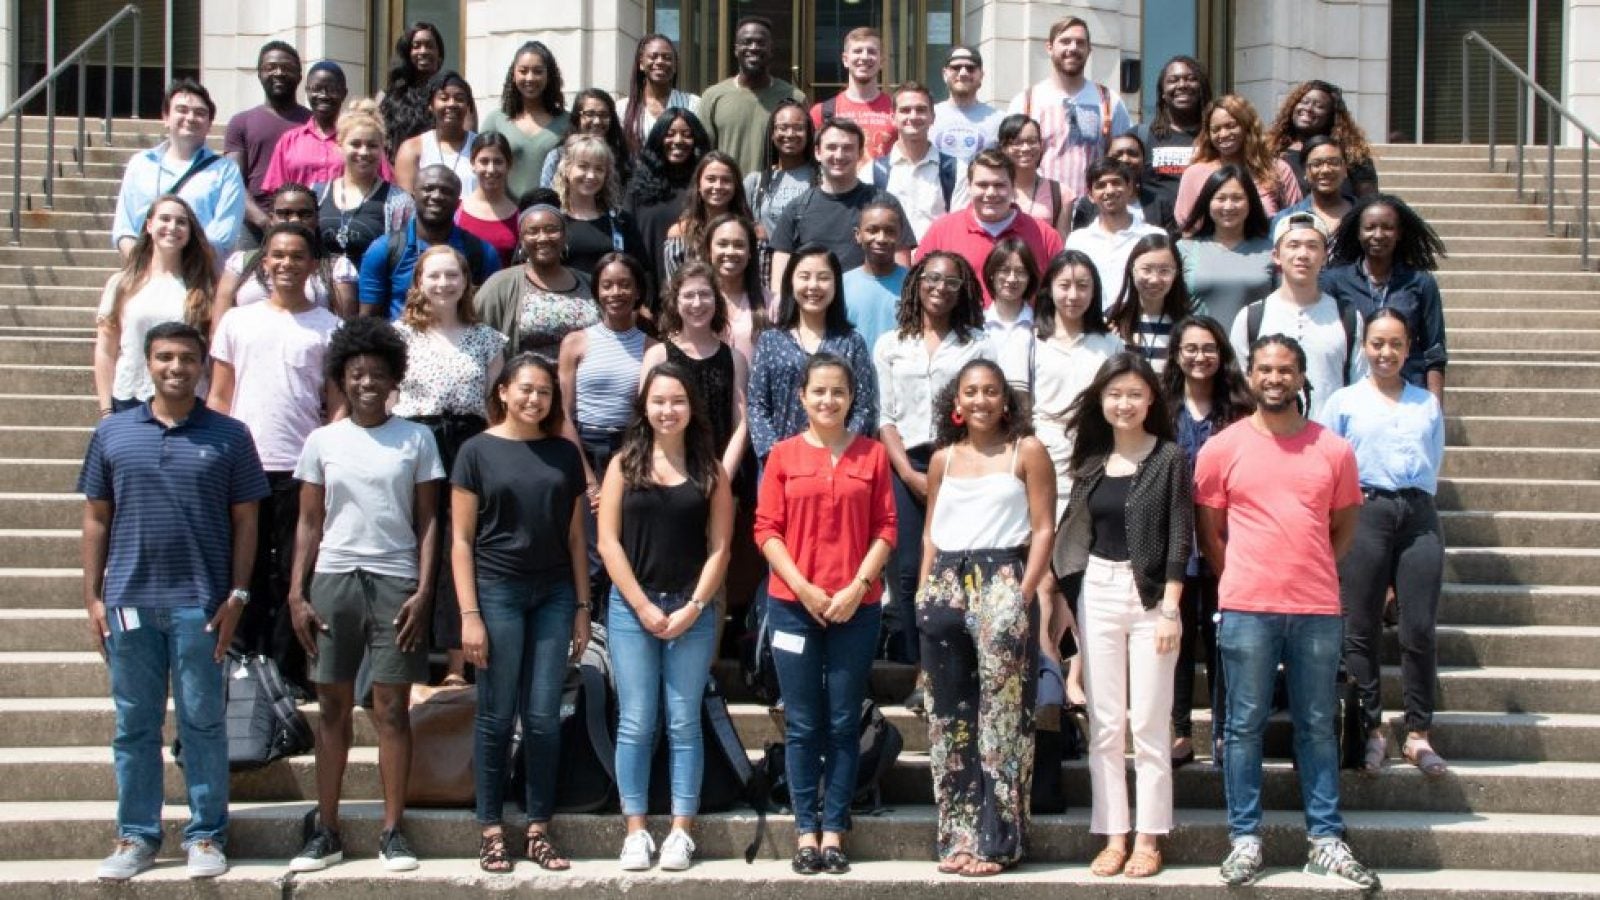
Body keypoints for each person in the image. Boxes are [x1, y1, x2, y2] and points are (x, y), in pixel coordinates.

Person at [82, 321, 269, 882]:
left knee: (203, 723)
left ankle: (207, 834)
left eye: (187, 358)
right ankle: (137, 834)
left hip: (201, 603)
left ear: (203, 365)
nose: (176, 368)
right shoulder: (113, 433)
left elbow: (247, 521)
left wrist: (238, 594)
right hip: (129, 602)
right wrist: (92, 597)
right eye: (165, 358)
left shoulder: (231, 436)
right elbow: (95, 518)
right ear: (147, 362)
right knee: (134, 725)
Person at [1194, 334, 1381, 891]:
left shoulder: (1334, 449)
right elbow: (1211, 532)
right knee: (1243, 727)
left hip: (1316, 606)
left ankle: (1325, 839)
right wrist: (1243, 577)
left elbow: (1344, 527)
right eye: (1265, 369)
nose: (1274, 378)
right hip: (1247, 605)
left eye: (1286, 370)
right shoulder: (1222, 448)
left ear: (1302, 378)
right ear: (1251, 376)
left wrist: (1309, 565)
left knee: (1318, 727)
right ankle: (1245, 839)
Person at [286, 317, 443, 873]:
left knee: (391, 709)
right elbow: (308, 522)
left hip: (396, 583)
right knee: (331, 708)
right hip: (333, 580)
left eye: (378, 374)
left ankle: (392, 829)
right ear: (341, 378)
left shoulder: (416, 438)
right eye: (356, 374)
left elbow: (429, 522)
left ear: (394, 378)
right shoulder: (322, 440)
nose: (367, 384)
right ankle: (325, 829)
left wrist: (425, 590)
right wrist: (296, 592)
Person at [754, 353, 896, 875]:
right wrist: (804, 588)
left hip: (855, 609)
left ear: (851, 397)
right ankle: (804, 830)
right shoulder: (783, 456)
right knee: (802, 722)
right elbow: (765, 530)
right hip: (793, 607)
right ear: (802, 397)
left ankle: (834, 829)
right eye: (818, 392)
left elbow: (886, 528)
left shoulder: (873, 456)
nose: (828, 401)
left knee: (841, 721)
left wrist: (859, 587)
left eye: (838, 392)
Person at [1053, 352, 1192, 880]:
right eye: (1115, 394)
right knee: (1107, 725)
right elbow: (1075, 536)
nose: (1124, 403)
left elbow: (1181, 534)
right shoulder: (1091, 462)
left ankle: (1150, 836)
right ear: (1101, 400)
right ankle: (1114, 833)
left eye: (1135, 394)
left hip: (1154, 596)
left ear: (1151, 398)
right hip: (1098, 591)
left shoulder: (1170, 458)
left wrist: (1172, 609)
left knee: (1151, 724)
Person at [451, 354, 590, 874]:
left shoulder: (564, 454)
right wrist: (469, 614)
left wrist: (581, 606)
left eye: (545, 392)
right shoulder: (475, 451)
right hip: (497, 591)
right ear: (504, 391)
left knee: (542, 717)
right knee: (495, 713)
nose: (535, 399)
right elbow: (461, 541)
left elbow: (578, 538)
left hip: (554, 592)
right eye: (525, 389)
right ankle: (491, 829)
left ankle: (538, 827)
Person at [918, 359, 1055, 876]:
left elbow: (1043, 528)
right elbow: (931, 530)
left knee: (1001, 719)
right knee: (949, 721)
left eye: (991, 391)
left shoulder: (1028, 451)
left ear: (1005, 399)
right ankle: (957, 838)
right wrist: (923, 595)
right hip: (946, 584)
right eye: (971, 391)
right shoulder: (942, 459)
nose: (981, 400)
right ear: (957, 401)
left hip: (1002, 576)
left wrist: (1021, 593)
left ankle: (998, 842)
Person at [598, 362, 733, 872]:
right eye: (658, 401)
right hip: (633, 608)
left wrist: (695, 606)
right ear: (644, 408)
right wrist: (642, 605)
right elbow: (608, 543)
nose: (667, 410)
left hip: (691, 608)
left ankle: (681, 830)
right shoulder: (622, 465)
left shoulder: (710, 470)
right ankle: (635, 829)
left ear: (691, 408)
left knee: (683, 721)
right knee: (635, 721)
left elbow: (720, 549)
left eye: (677, 401)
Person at [209, 222, 345, 695]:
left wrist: (329, 457)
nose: (286, 264)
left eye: (296, 256)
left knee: (295, 568)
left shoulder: (329, 328)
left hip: (301, 464)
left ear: (312, 265)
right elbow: (219, 395)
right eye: (278, 256)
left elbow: (336, 403)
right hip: (243, 462)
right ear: (264, 263)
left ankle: (288, 667)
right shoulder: (236, 322)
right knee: (242, 567)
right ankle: (239, 658)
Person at [1317, 309, 1447, 776]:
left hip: (1418, 514)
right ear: (1363, 347)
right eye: (1377, 343)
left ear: (1408, 348)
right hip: (1364, 510)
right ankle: (1370, 729)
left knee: (1418, 628)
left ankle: (1418, 732)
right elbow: (1329, 465)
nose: (1385, 352)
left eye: (1395, 344)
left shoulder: (1425, 403)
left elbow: (1433, 460)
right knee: (1362, 626)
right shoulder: (1344, 401)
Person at [392, 245, 507, 685]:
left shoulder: (487, 338)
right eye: (433, 276)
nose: (443, 284)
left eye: (452, 275)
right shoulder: (400, 335)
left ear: (465, 281)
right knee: (414, 543)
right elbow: (388, 399)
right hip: (415, 444)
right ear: (419, 282)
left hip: (468, 446)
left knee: (462, 547)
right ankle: (410, 658)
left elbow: (497, 406)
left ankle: (458, 662)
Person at [874, 252, 993, 665]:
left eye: (952, 282)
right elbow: (884, 416)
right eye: (932, 279)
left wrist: (948, 471)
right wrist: (907, 474)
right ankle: (916, 666)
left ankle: (957, 662)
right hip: (906, 464)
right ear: (916, 282)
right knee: (907, 570)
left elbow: (985, 410)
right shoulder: (891, 345)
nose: (940, 289)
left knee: (959, 563)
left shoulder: (978, 344)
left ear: (964, 291)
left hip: (962, 465)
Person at [1159, 315, 1253, 766]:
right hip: (1173, 538)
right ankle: (1178, 731)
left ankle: (1222, 729)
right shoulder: (1162, 407)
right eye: (1191, 348)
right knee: (1175, 637)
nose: (1200, 357)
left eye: (1209, 348)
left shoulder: (1240, 409)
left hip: (1227, 537)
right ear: (1177, 354)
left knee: (1222, 637)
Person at [560, 253, 657, 612]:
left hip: (630, 451)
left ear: (637, 291)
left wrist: (624, 470)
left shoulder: (651, 346)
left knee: (626, 545)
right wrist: (589, 481)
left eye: (625, 285)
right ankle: (587, 634)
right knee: (589, 550)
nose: (616, 292)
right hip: (584, 448)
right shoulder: (576, 343)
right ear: (597, 291)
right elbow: (564, 415)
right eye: (608, 285)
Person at [1229, 212, 1368, 419]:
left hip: (1328, 441)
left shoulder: (1347, 317)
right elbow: (1238, 388)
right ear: (1276, 255)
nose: (1303, 254)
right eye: (1293, 245)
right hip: (1267, 440)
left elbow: (1359, 388)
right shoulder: (1251, 317)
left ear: (1325, 256)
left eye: (1312, 246)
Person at [749, 246, 877, 460]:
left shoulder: (852, 342)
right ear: (791, 281)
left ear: (836, 284)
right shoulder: (770, 341)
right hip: (780, 466)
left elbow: (863, 408)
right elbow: (757, 406)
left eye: (823, 278)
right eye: (804, 277)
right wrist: (776, 456)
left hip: (838, 463)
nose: (813, 286)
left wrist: (841, 452)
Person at [94, 196, 215, 416]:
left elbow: (215, 353)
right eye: (165, 219)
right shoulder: (122, 284)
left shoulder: (204, 285)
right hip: (130, 398)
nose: (172, 227)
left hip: (188, 399)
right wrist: (106, 409)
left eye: (181, 222)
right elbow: (105, 350)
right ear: (149, 225)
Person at [1324, 193, 1449, 403]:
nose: (1378, 234)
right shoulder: (1334, 282)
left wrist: (1434, 408)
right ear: (1358, 232)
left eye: (1387, 228)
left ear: (1399, 233)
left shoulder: (1421, 283)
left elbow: (1434, 351)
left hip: (1409, 394)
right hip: (1353, 395)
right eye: (1370, 227)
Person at [769, 119, 914, 297]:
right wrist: (778, 300)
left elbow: (901, 262)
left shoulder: (884, 204)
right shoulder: (798, 208)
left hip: (871, 304)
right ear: (817, 152)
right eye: (831, 147)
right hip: (815, 308)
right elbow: (781, 263)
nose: (839, 155)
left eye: (847, 148)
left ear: (860, 153)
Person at [1030, 250, 1125, 515]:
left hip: (1097, 451)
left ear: (1094, 291)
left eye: (1083, 286)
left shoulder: (1111, 344)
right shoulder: (1032, 341)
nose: (1073, 296)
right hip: (1045, 452)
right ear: (1049, 289)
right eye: (1064, 286)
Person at [641, 260, 752, 485]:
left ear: (716, 299)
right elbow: (646, 417)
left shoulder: (735, 358)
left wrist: (722, 479)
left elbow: (741, 425)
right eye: (689, 295)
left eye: (705, 294)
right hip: (668, 475)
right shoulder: (657, 355)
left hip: (721, 473)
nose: (697, 303)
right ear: (675, 301)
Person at [112, 79, 246, 262]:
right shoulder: (140, 164)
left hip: (199, 278)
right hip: (144, 275)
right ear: (166, 118)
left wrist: (178, 270)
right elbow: (124, 229)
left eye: (200, 113)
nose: (190, 118)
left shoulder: (226, 171)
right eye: (182, 110)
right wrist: (147, 271)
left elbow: (223, 237)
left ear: (209, 124)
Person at [1007, 17, 1132, 205]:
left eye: (1080, 43)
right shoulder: (1026, 101)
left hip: (1095, 210)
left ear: (1089, 50)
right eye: (1065, 41)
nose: (1073, 48)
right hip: (1041, 208)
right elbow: (1008, 159)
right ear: (1049, 47)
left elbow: (1123, 159)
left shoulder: (1108, 101)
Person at [915, 149, 1063, 305]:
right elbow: (918, 286)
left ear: (1013, 187)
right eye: (982, 185)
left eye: (999, 185)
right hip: (959, 328)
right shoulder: (941, 231)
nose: (991, 193)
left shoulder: (1045, 236)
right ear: (969, 187)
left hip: (1025, 327)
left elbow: (1058, 291)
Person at [358, 166, 500, 319]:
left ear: (458, 202)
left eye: (446, 191)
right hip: (399, 341)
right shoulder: (383, 250)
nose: (437, 196)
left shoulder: (482, 253)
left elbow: (491, 316)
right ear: (413, 195)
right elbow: (368, 319)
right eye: (428, 189)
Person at [215, 183, 354, 324]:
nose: (295, 220)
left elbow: (344, 330)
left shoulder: (337, 268)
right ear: (271, 218)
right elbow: (219, 326)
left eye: (304, 214)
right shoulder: (241, 262)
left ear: (317, 219)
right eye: (284, 214)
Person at [476, 201, 597, 361]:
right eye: (532, 232)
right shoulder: (500, 285)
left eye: (551, 230)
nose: (543, 238)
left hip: (586, 384)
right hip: (529, 383)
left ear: (565, 235)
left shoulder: (589, 282)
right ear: (522, 239)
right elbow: (477, 340)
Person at [312, 103, 415, 273]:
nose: (364, 152)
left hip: (372, 297)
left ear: (382, 148)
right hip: (320, 296)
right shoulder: (317, 194)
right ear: (339, 146)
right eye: (355, 144)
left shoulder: (400, 202)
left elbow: (403, 261)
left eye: (372, 145)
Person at [698, 16, 807, 176]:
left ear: (771, 49)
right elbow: (703, 154)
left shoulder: (794, 98)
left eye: (761, 43)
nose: (754, 48)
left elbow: (805, 154)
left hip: (778, 195)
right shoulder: (712, 97)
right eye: (747, 42)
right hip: (727, 194)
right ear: (736, 49)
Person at [225, 42, 310, 243]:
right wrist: (264, 221)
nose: (279, 72)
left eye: (287, 68)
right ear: (259, 74)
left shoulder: (313, 123)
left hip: (305, 227)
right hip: (254, 228)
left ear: (299, 75)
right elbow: (233, 181)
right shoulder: (241, 122)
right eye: (270, 67)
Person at [1174, 95, 1302, 227]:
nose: (1223, 134)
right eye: (1215, 129)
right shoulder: (1195, 174)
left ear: (1248, 128)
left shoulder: (1278, 170)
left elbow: (1295, 220)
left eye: (1231, 126)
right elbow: (1186, 226)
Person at [263, 62, 390, 195]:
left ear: (344, 93)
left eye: (332, 89)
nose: (323, 95)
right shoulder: (288, 141)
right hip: (301, 214)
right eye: (316, 88)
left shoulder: (360, 141)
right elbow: (276, 194)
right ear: (307, 91)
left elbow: (385, 183)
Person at [1177, 164, 1275, 333]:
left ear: (1251, 202)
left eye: (1237, 198)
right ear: (1208, 202)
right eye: (1221, 198)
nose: (1228, 206)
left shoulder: (1270, 250)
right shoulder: (1184, 249)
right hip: (1201, 353)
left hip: (1255, 353)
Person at [868, 81, 968, 241]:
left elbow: (959, 227)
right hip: (890, 263)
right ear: (893, 118)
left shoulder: (957, 170)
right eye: (905, 110)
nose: (913, 116)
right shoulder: (873, 172)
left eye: (921, 110)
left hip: (937, 261)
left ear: (932, 117)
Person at [627, 110, 713, 287]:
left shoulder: (706, 187)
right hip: (647, 292)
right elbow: (628, 246)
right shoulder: (637, 188)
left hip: (695, 292)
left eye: (687, 135)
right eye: (670, 134)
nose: (678, 141)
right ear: (658, 139)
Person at [1064, 158, 1164, 312]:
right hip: (1093, 328)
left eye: (1116, 183)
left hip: (1140, 327)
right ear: (1090, 195)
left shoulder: (1154, 236)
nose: (1109, 191)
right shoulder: (1078, 241)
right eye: (1100, 185)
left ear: (1130, 188)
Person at [479, 41, 568, 205]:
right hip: (505, 214)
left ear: (549, 76)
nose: (530, 78)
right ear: (513, 74)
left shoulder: (567, 122)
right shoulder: (496, 120)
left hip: (551, 216)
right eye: (523, 71)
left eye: (538, 71)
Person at [553, 135, 648, 288]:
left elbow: (643, 270)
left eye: (599, 169)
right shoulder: (552, 219)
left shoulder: (620, 221)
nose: (591, 175)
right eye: (583, 166)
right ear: (567, 168)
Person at [744, 99, 817, 289]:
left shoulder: (822, 178)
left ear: (809, 134)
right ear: (772, 133)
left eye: (798, 128)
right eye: (782, 128)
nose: (790, 134)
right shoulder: (756, 182)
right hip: (766, 277)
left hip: (811, 274)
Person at [1268, 80, 1379, 199]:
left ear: (1332, 117)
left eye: (1319, 106)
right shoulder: (1272, 150)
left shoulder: (1352, 155)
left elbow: (1369, 201)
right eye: (1304, 102)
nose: (1308, 109)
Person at [1132, 56, 1211, 215]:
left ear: (1202, 88)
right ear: (1162, 92)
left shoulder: (1214, 137)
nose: (1182, 85)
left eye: (1191, 79)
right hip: (1155, 234)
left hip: (1204, 233)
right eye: (1173, 80)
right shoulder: (1141, 136)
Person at [1107, 233, 1194, 372]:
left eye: (1164, 271)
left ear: (1176, 273)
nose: (1154, 279)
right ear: (1132, 270)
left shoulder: (1187, 324)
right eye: (1146, 270)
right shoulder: (1112, 319)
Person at [664, 151, 752, 280]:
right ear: (699, 185)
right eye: (711, 179)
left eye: (726, 180)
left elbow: (760, 282)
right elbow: (675, 288)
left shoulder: (752, 232)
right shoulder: (680, 233)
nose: (718, 186)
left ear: (736, 186)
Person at [809, 27, 896, 159]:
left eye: (871, 51)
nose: (865, 57)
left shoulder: (897, 111)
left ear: (882, 61)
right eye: (857, 51)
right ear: (845, 59)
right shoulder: (821, 112)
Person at [1071, 132, 1177, 233]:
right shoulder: (1088, 206)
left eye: (1133, 154)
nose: (1125, 159)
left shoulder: (1160, 204)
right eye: (1117, 155)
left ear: (1144, 160)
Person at [394, 70, 479, 196]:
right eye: (444, 98)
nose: (452, 104)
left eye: (459, 99)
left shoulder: (481, 146)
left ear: (468, 106)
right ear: (431, 105)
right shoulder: (412, 148)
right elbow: (406, 201)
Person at [702, 213, 770, 362]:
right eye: (722, 244)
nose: (730, 251)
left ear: (750, 252)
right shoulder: (695, 301)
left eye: (739, 245)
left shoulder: (770, 303)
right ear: (709, 251)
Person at [842, 199, 908, 352]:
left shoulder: (913, 284)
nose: (881, 238)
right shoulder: (842, 284)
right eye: (872, 230)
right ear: (858, 235)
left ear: (900, 235)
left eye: (890, 231)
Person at [618, 34, 701, 153]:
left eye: (667, 57)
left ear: (675, 66)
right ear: (641, 63)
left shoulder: (693, 104)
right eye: (653, 56)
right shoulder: (622, 109)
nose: (660, 62)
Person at [379, 22, 451, 158]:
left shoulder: (451, 97)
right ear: (407, 53)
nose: (423, 51)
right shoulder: (389, 97)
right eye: (416, 46)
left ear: (439, 56)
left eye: (429, 46)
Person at [539, 88, 633, 192]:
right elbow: (545, 198)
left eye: (603, 115)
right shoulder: (558, 156)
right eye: (589, 114)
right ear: (577, 117)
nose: (597, 121)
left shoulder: (622, 158)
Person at [981, 238, 1041, 391]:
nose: (1012, 279)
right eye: (1004, 270)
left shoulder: (1040, 326)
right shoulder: (978, 325)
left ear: (1030, 278)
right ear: (992, 274)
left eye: (1020, 272)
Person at [455, 133, 521, 267]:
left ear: (509, 165)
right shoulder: (455, 211)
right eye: (484, 161)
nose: (491, 170)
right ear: (473, 164)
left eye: (498, 162)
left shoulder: (520, 216)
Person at [1269, 136, 1353, 241]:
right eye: (1316, 164)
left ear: (1345, 169)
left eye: (1333, 162)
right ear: (1305, 171)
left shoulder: (1362, 214)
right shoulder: (1285, 219)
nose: (1326, 170)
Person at [930, 45, 1005, 163]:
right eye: (956, 67)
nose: (963, 73)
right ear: (945, 74)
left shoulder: (999, 119)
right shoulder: (928, 116)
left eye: (970, 68)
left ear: (981, 75)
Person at [997, 115, 1069, 236]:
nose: (1025, 148)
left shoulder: (1060, 193)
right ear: (1003, 148)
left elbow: (1061, 245)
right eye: (1017, 142)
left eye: (1032, 141)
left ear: (1041, 145)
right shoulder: (992, 189)